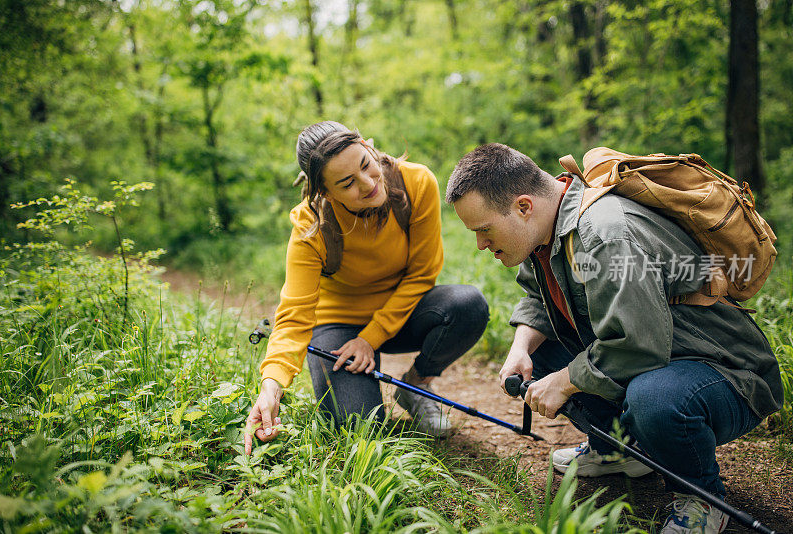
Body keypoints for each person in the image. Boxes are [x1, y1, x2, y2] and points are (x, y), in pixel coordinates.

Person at [445, 143, 783, 534]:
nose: (480, 244)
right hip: (660, 355)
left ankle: (702, 499)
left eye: (484, 229)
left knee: (654, 400)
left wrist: (565, 380)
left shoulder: (603, 233)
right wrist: (521, 349)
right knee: (540, 356)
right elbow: (540, 298)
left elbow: (639, 343)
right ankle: (619, 451)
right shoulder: (546, 231)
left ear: (523, 206)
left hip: (723, 372)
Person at [244, 121, 489, 453]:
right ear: (324, 192)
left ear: (368, 146)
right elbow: (293, 316)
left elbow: (422, 273)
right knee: (359, 430)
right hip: (339, 326)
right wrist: (271, 388)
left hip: (403, 315)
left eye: (365, 164)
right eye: (347, 183)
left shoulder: (417, 182)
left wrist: (370, 338)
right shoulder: (310, 225)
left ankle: (416, 386)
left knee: (468, 304)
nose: (368, 183)